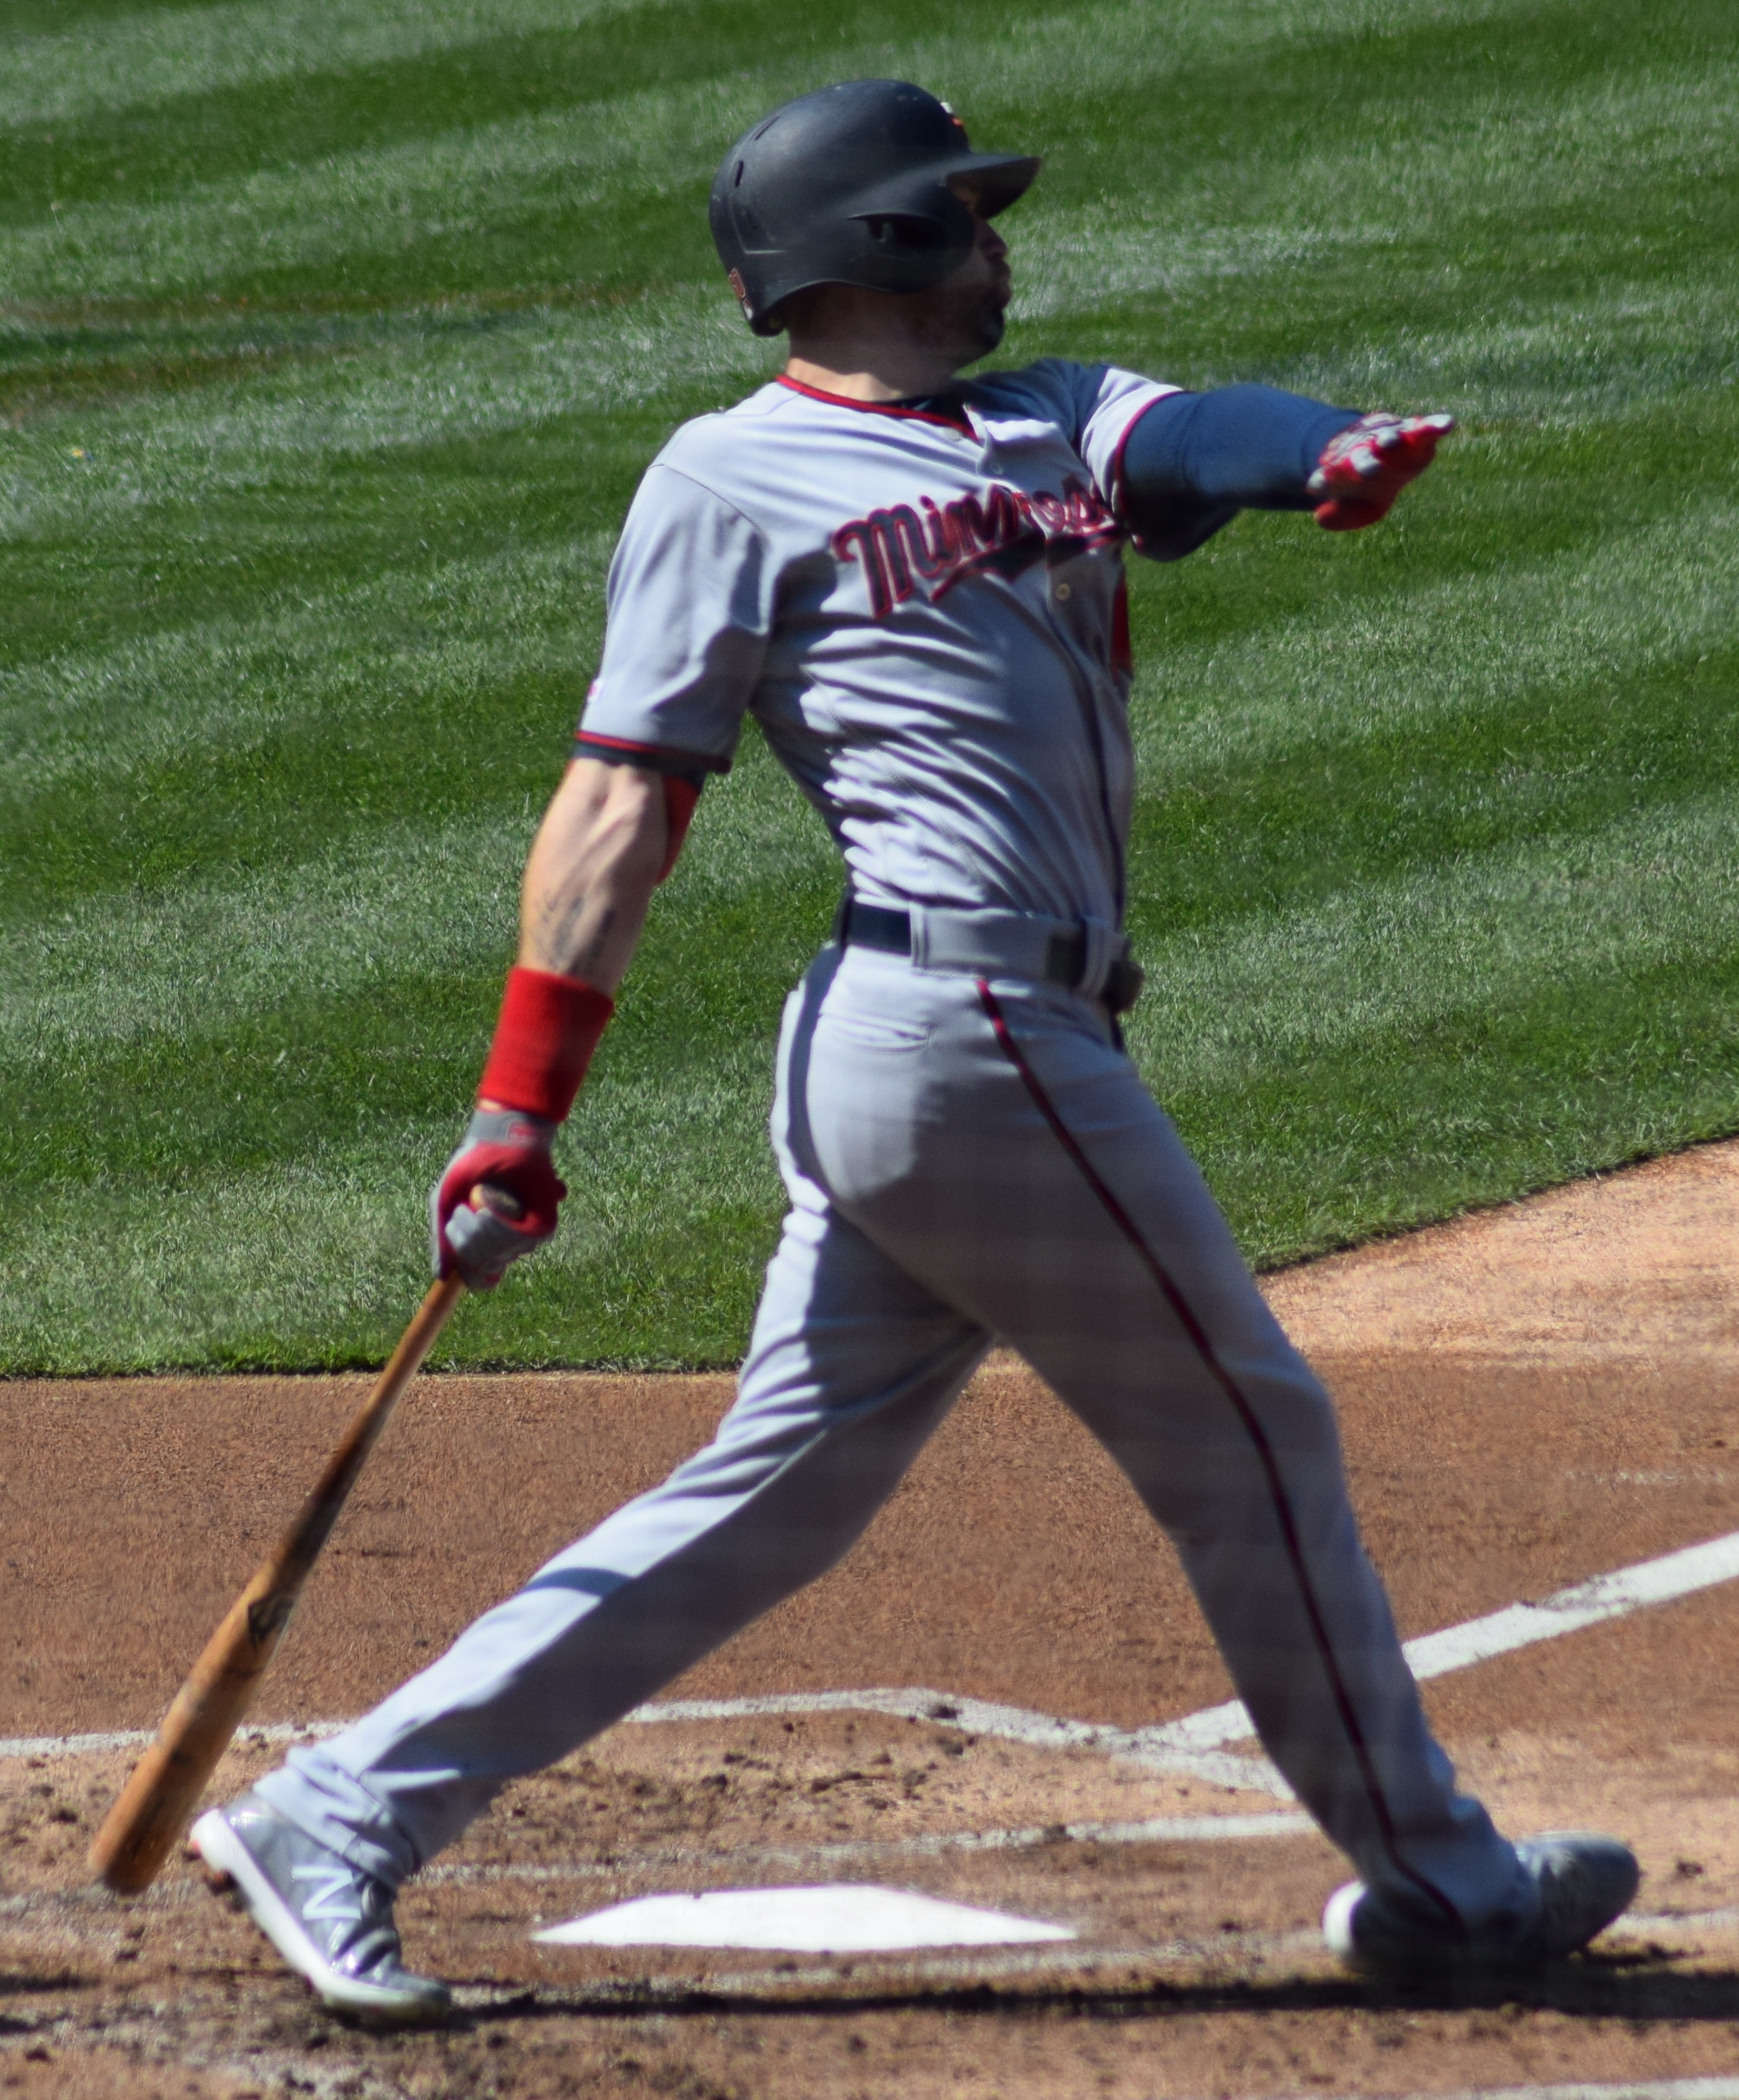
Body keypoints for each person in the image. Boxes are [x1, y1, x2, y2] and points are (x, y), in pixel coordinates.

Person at [193, 79, 1637, 2021]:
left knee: (779, 1490)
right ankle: (1442, 1882)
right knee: (1251, 1432)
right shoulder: (725, 483)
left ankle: (341, 1813)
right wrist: (515, 1109)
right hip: (954, 1030)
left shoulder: (1052, 413)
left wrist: (1330, 456)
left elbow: (1205, 436)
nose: (996, 241)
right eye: (962, 216)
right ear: (872, 246)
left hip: (967, 1041)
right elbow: (622, 808)